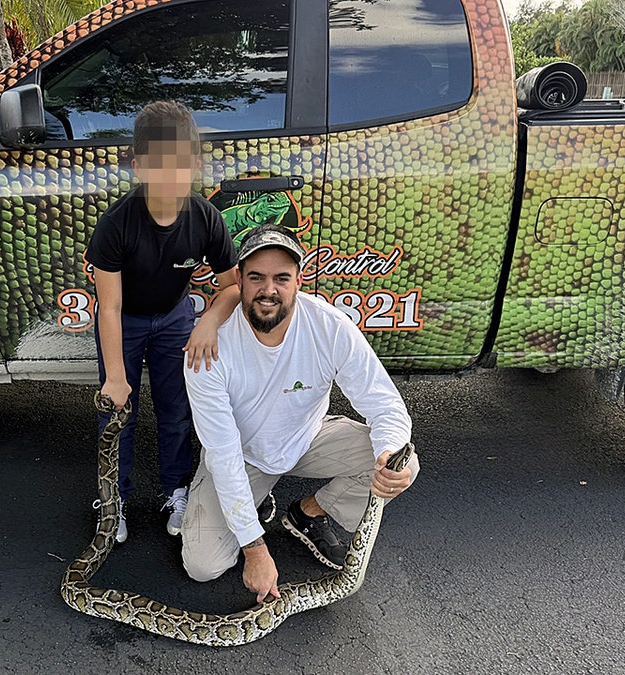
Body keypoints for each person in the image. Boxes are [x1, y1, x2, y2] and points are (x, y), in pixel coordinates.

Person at [180, 224, 418, 601]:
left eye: (281, 278)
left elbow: (383, 402)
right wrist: (254, 550)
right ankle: (252, 505)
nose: (268, 290)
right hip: (244, 456)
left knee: (402, 461)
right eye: (256, 277)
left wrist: (389, 450)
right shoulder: (208, 350)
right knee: (203, 566)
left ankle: (307, 513)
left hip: (306, 439)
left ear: (299, 280)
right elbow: (223, 456)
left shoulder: (330, 327)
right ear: (238, 279)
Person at [85, 100, 241, 543]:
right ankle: (114, 501)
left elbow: (232, 286)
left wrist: (209, 319)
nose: (169, 175)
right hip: (127, 321)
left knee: (177, 411)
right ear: (138, 166)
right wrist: (115, 376)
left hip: (176, 319)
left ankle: (176, 491)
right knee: (119, 411)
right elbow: (108, 308)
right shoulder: (116, 224)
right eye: (157, 164)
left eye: (179, 163)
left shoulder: (205, 217)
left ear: (194, 163)